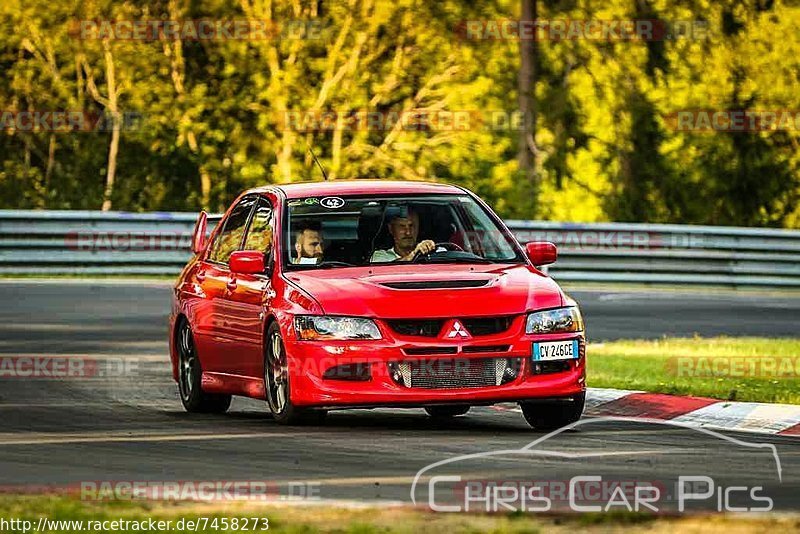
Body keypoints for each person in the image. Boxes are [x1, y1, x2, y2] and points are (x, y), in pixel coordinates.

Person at [370, 209, 435, 262]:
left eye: (411, 226)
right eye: (402, 226)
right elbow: (385, 270)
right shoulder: (380, 256)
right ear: (391, 229)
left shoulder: (435, 252)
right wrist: (414, 254)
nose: (408, 232)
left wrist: (429, 247)